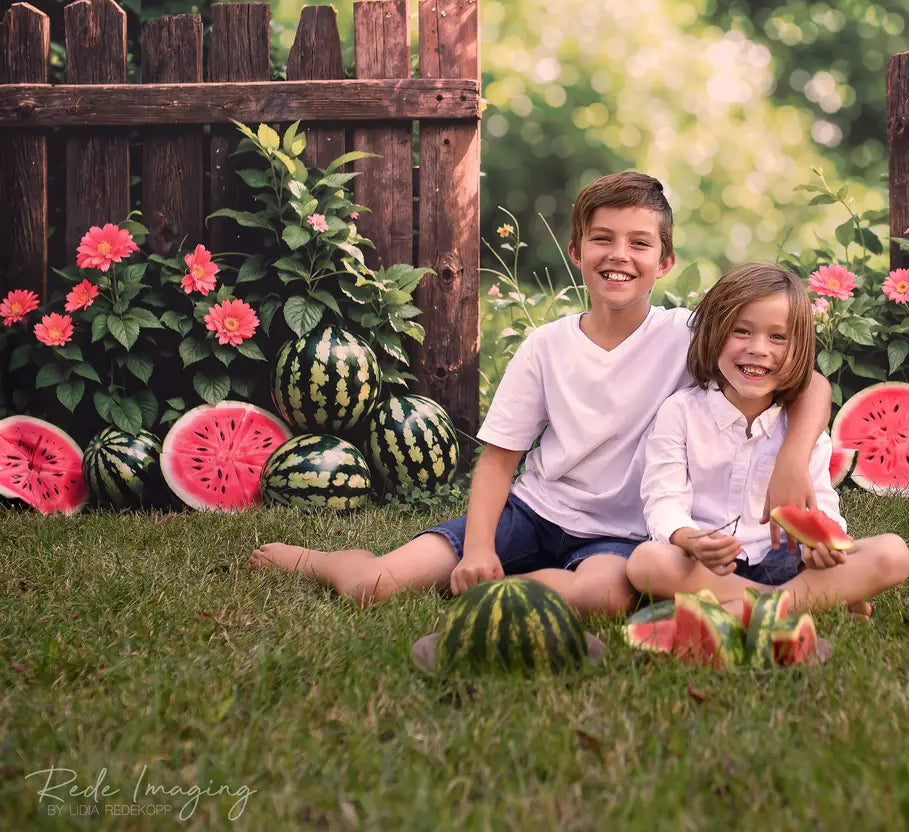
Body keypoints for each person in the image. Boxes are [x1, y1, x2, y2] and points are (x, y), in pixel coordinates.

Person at [251, 172, 833, 616]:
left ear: (666, 260)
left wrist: (790, 460)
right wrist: (479, 546)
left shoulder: (690, 335)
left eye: (639, 242)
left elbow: (809, 382)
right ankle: (325, 562)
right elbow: (499, 458)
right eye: (602, 239)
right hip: (534, 511)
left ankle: (496, 598)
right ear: (576, 252)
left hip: (622, 533)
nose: (620, 255)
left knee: (601, 598)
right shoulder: (546, 348)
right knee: (374, 588)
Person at [626, 262, 909, 615]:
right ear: (714, 334)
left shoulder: (800, 429)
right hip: (707, 564)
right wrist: (690, 538)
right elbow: (662, 499)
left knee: (893, 553)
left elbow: (821, 503)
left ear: (800, 348)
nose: (759, 349)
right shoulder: (680, 413)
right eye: (741, 331)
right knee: (647, 562)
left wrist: (822, 546)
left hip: (788, 562)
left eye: (778, 337)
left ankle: (756, 605)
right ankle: (797, 602)